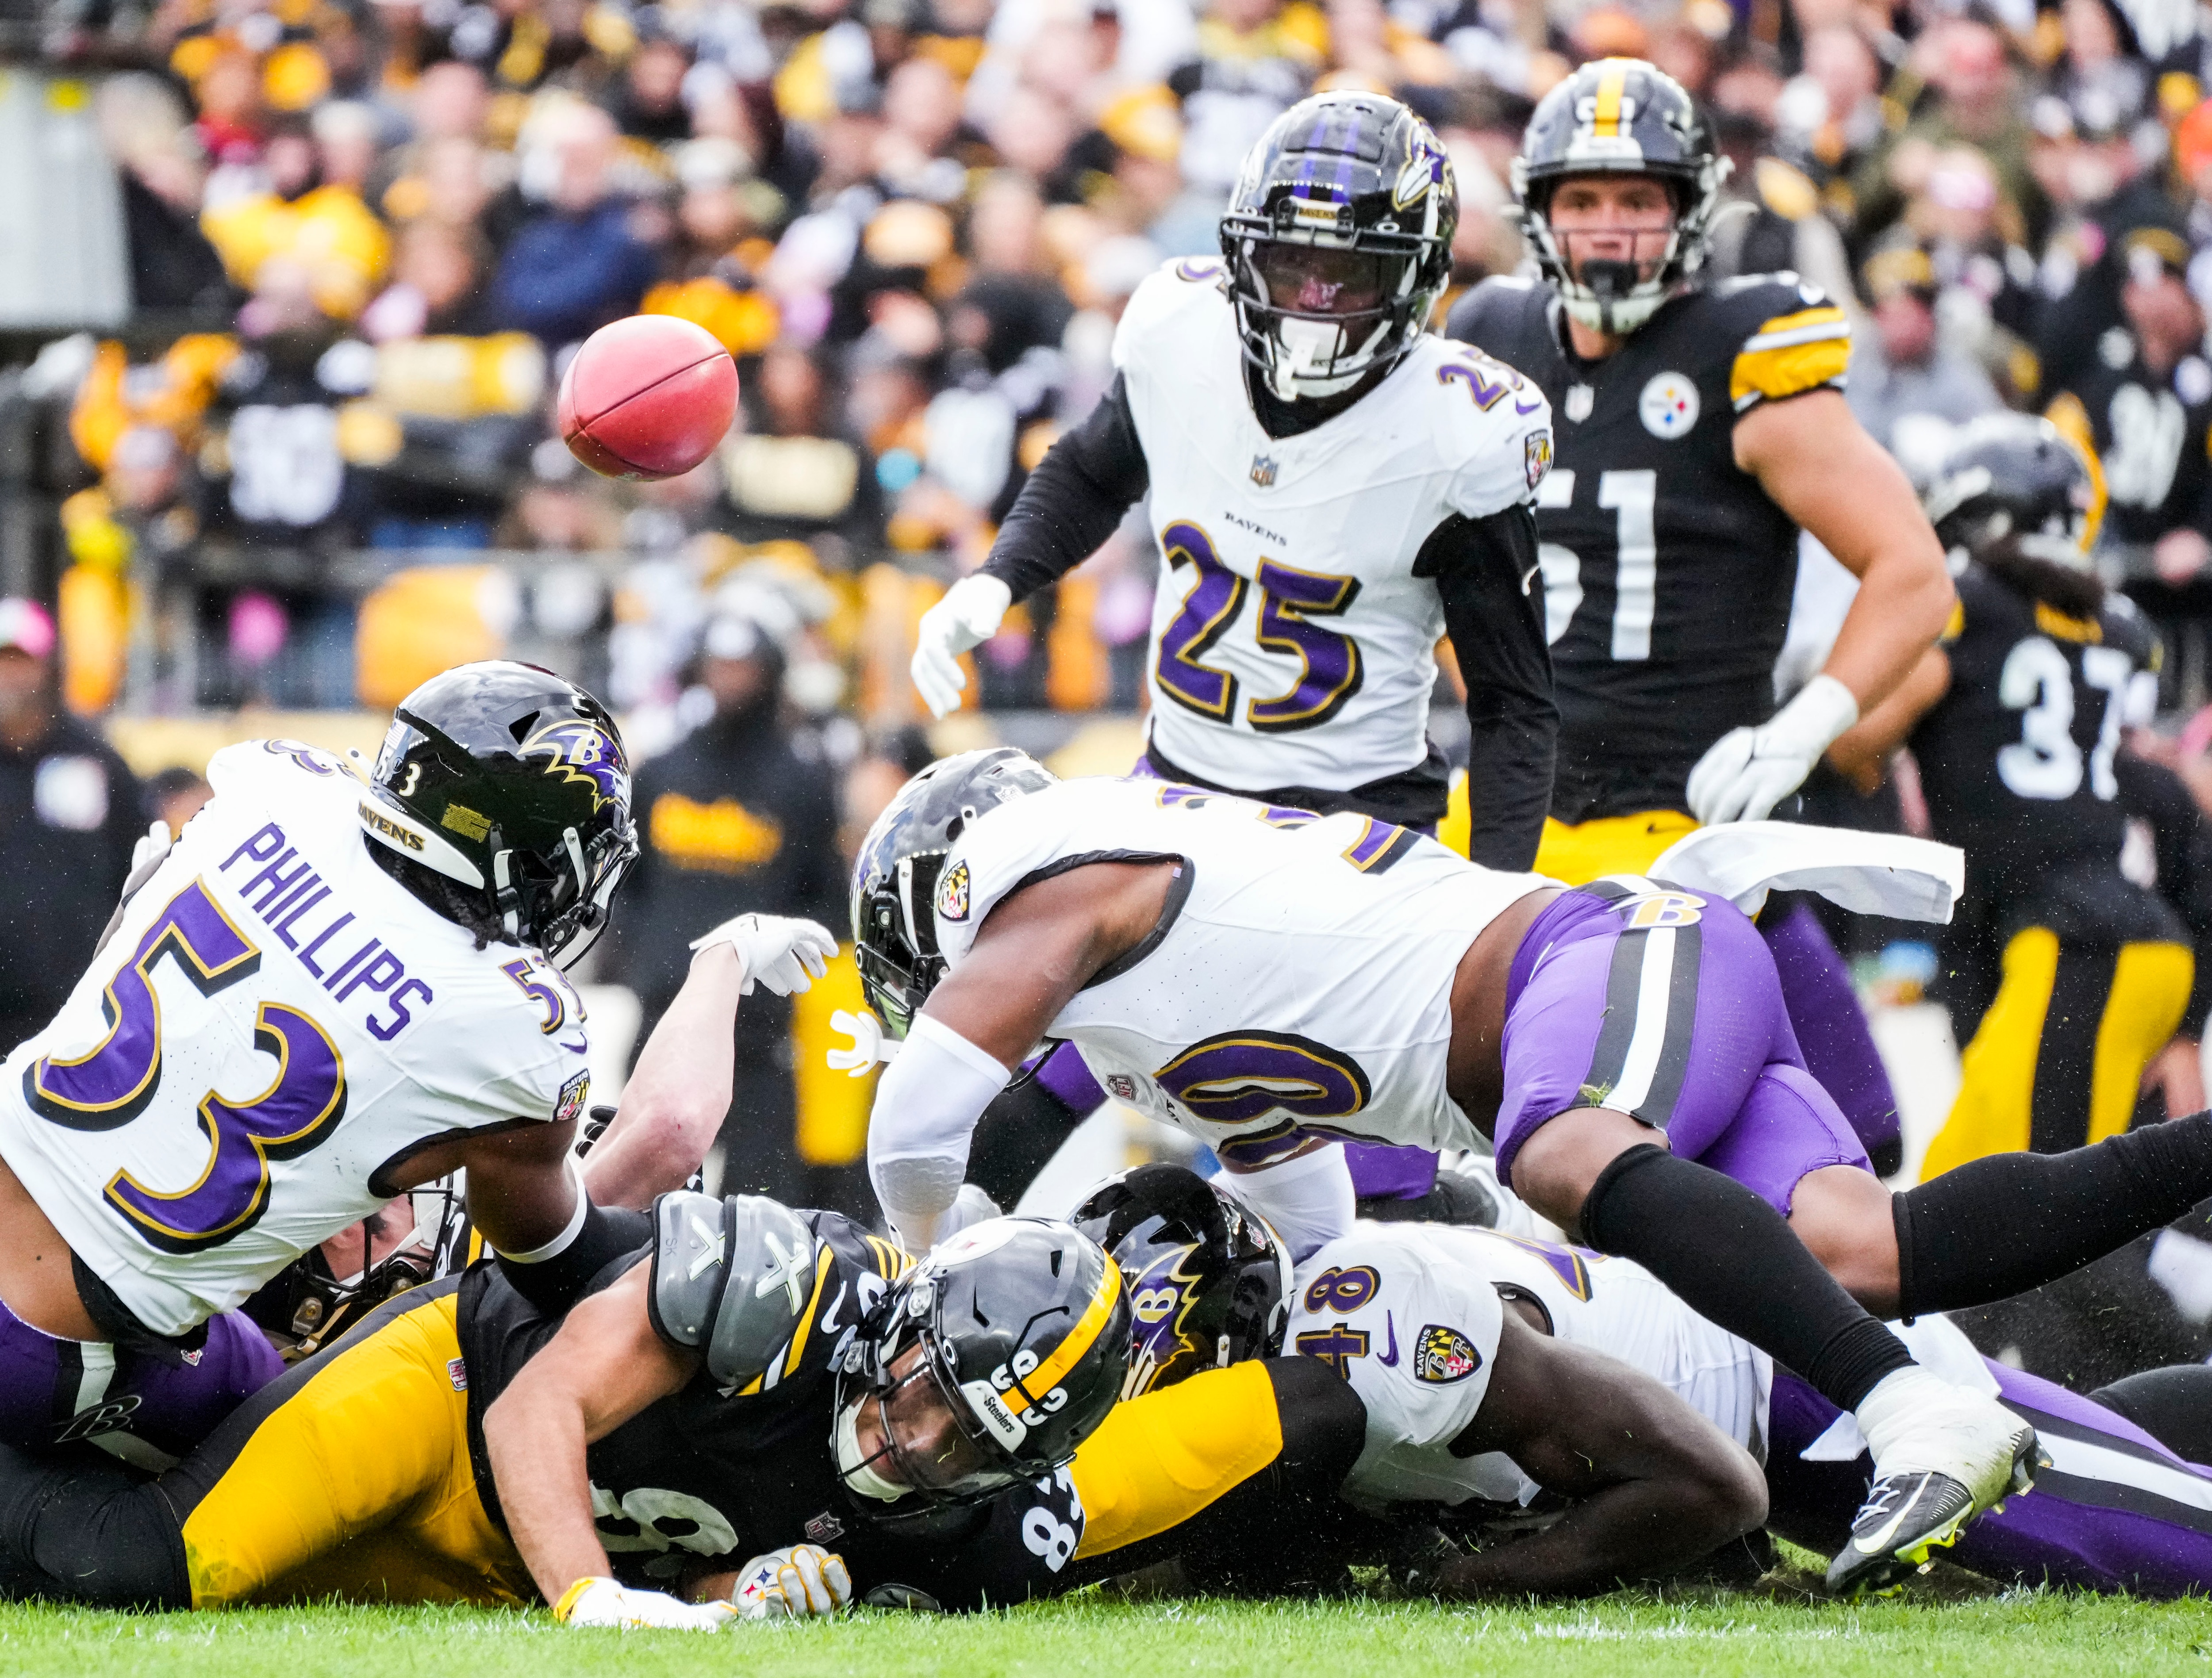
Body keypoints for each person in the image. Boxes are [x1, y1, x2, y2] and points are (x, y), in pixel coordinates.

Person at [847, 748, 2212, 1592]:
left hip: (1600, 954)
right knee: (1859, 1251)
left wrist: (941, 1254)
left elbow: (915, 1129)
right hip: (1623, 989)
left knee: (1560, 1149)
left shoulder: (1051, 868)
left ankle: (1912, 1403)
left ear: (942, 889)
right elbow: (1309, 1225)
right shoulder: (1169, 1035)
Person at [906, 90, 1557, 1214]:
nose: (1310, 302)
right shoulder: (1176, 331)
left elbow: (1513, 702)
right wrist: (993, 579)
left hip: (1349, 835)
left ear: (1414, 280)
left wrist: (1493, 902)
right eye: (1290, 264)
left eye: (1344, 277)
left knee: (1384, 1194)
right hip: (1175, 799)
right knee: (1007, 1097)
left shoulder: (1461, 433)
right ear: (1238, 250)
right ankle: (921, 1311)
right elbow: (1093, 468)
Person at [1445, 58, 1958, 1179]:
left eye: (1640, 201)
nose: (1612, 229)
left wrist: (1804, 724)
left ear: (1689, 212)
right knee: (1462, 1135)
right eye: (1584, 201)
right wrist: (1473, 679)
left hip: (1689, 836)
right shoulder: (1489, 334)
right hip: (1505, 830)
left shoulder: (1744, 350)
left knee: (1860, 1138)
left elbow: (1914, 574)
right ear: (1540, 212)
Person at [0, 661, 667, 1463]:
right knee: (310, 1398)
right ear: (536, 852)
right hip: (49, 1345)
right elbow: (550, 1256)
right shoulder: (513, 1023)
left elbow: (137, 916)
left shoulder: (280, 785)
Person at [1064, 1165, 2212, 1601]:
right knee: (2112, 1460)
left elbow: (1716, 1491)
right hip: (1745, 1443)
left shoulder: (1369, 1327)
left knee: (2164, 1542)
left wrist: (1477, 1582)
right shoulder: (1301, 1373)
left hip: (1795, 1406)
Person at [0, 1203, 1121, 1624]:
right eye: (929, 1394)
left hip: (510, 1556)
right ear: (906, 1325)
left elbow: (698, 1573)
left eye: (970, 1445)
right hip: (455, 1397)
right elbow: (537, 1409)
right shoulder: (790, 1290)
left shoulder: (978, 1525)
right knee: (145, 1565)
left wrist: (746, 1600)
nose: (916, 1441)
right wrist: (591, 1600)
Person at [1829, 415, 2188, 1171]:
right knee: (2063, 1179)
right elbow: (2155, 784)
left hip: (2049, 919)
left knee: (1992, 1191)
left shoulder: (1966, 602)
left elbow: (1855, 739)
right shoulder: (2116, 626)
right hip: (2060, 910)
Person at [606, 610, 844, 1204]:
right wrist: (645, 955)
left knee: (755, 1204)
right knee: (640, 1195)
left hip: (760, 1036)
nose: (730, 680)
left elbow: (828, 898)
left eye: (744, 667)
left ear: (771, 674)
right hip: (662, 1012)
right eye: (719, 665)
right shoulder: (662, 771)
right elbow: (622, 882)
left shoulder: (803, 779)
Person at [0, 598, 146, 1056]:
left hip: (71, 1008)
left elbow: (139, 864)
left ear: (45, 666)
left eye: (19, 660)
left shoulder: (94, 758)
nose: (9, 675)